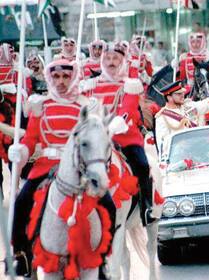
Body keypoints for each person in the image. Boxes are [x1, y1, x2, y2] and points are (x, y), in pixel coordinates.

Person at [7, 59, 116, 276]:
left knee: (109, 205)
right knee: (21, 203)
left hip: (77, 168)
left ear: (73, 77)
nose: (61, 81)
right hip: (45, 166)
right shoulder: (41, 105)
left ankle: (102, 259)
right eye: (56, 77)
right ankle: (23, 256)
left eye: (66, 76)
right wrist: (21, 152)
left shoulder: (84, 106)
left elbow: (94, 140)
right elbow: (30, 139)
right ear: (49, 78)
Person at [82, 42, 154, 225]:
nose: (111, 62)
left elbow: (128, 110)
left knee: (143, 166)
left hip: (125, 138)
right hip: (98, 139)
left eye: (115, 58)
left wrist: (113, 126)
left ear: (122, 61)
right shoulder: (91, 85)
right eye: (107, 58)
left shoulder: (130, 84)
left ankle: (147, 208)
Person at [155, 80, 209, 153]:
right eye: (179, 94)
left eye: (182, 93)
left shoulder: (188, 106)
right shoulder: (162, 117)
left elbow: (205, 104)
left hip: (200, 148)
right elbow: (163, 144)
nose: (182, 95)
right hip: (182, 155)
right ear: (169, 97)